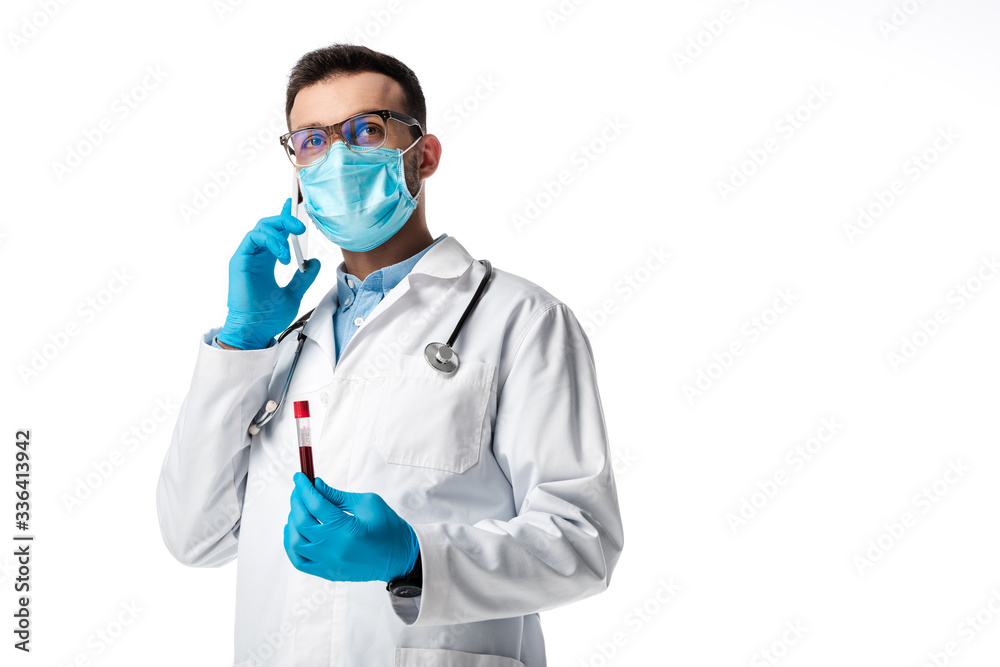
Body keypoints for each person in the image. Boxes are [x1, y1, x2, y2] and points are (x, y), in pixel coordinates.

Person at [155, 43, 624, 667]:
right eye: (312, 141)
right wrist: (242, 340)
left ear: (422, 156)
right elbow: (194, 537)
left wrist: (414, 557)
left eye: (364, 131)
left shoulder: (521, 320)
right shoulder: (282, 343)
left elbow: (583, 541)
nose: (337, 156)